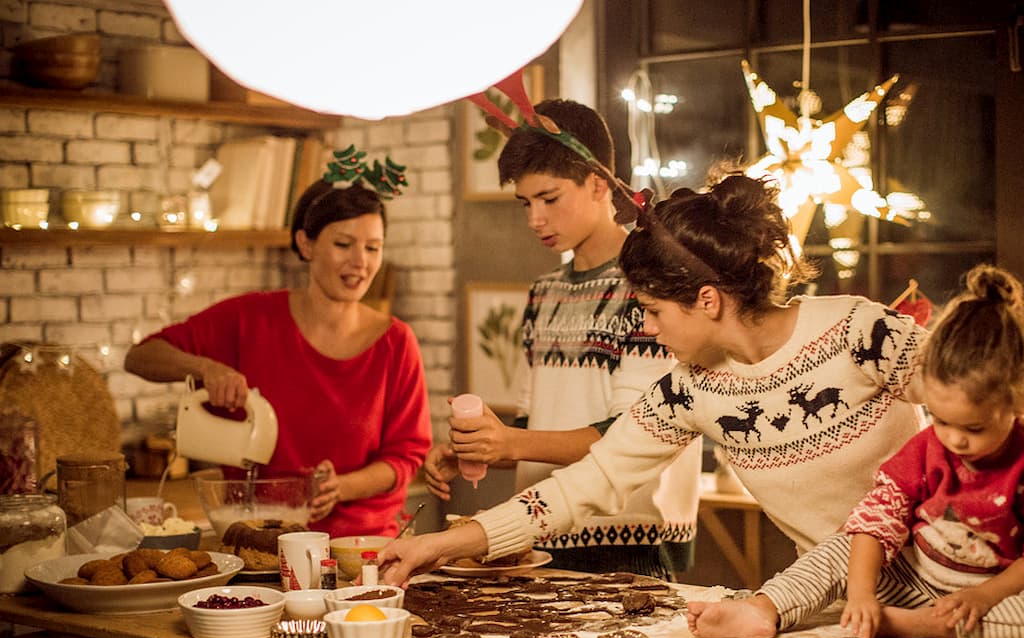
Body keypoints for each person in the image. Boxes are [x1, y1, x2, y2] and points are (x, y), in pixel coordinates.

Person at [378, 173, 929, 586]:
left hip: (971, 588)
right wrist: (442, 545)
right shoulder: (689, 389)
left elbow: (991, 402)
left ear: (707, 301)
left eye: (653, 309)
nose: (645, 325)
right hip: (834, 602)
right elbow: (584, 486)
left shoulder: (859, 330)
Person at [685, 264, 1024, 638]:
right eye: (942, 420)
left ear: (1020, 401)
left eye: (974, 428)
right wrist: (861, 595)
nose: (954, 440)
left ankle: (914, 626)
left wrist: (984, 597)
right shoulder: (928, 448)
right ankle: (764, 608)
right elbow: (877, 520)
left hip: (996, 597)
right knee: (843, 544)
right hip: (911, 581)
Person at [423, 98, 701, 579]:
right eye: (526, 203)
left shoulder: (651, 288)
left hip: (631, 541)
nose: (535, 219)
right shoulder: (545, 290)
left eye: (549, 199)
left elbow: (632, 434)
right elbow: (534, 426)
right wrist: (484, 447)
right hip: (540, 533)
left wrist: (508, 443)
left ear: (598, 184)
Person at [124, 176, 432, 538]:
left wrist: (341, 487)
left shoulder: (396, 342)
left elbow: (406, 457)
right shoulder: (249, 319)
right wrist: (207, 368)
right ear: (306, 244)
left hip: (362, 548)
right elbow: (140, 357)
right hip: (257, 541)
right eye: (344, 244)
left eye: (373, 248)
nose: (360, 262)